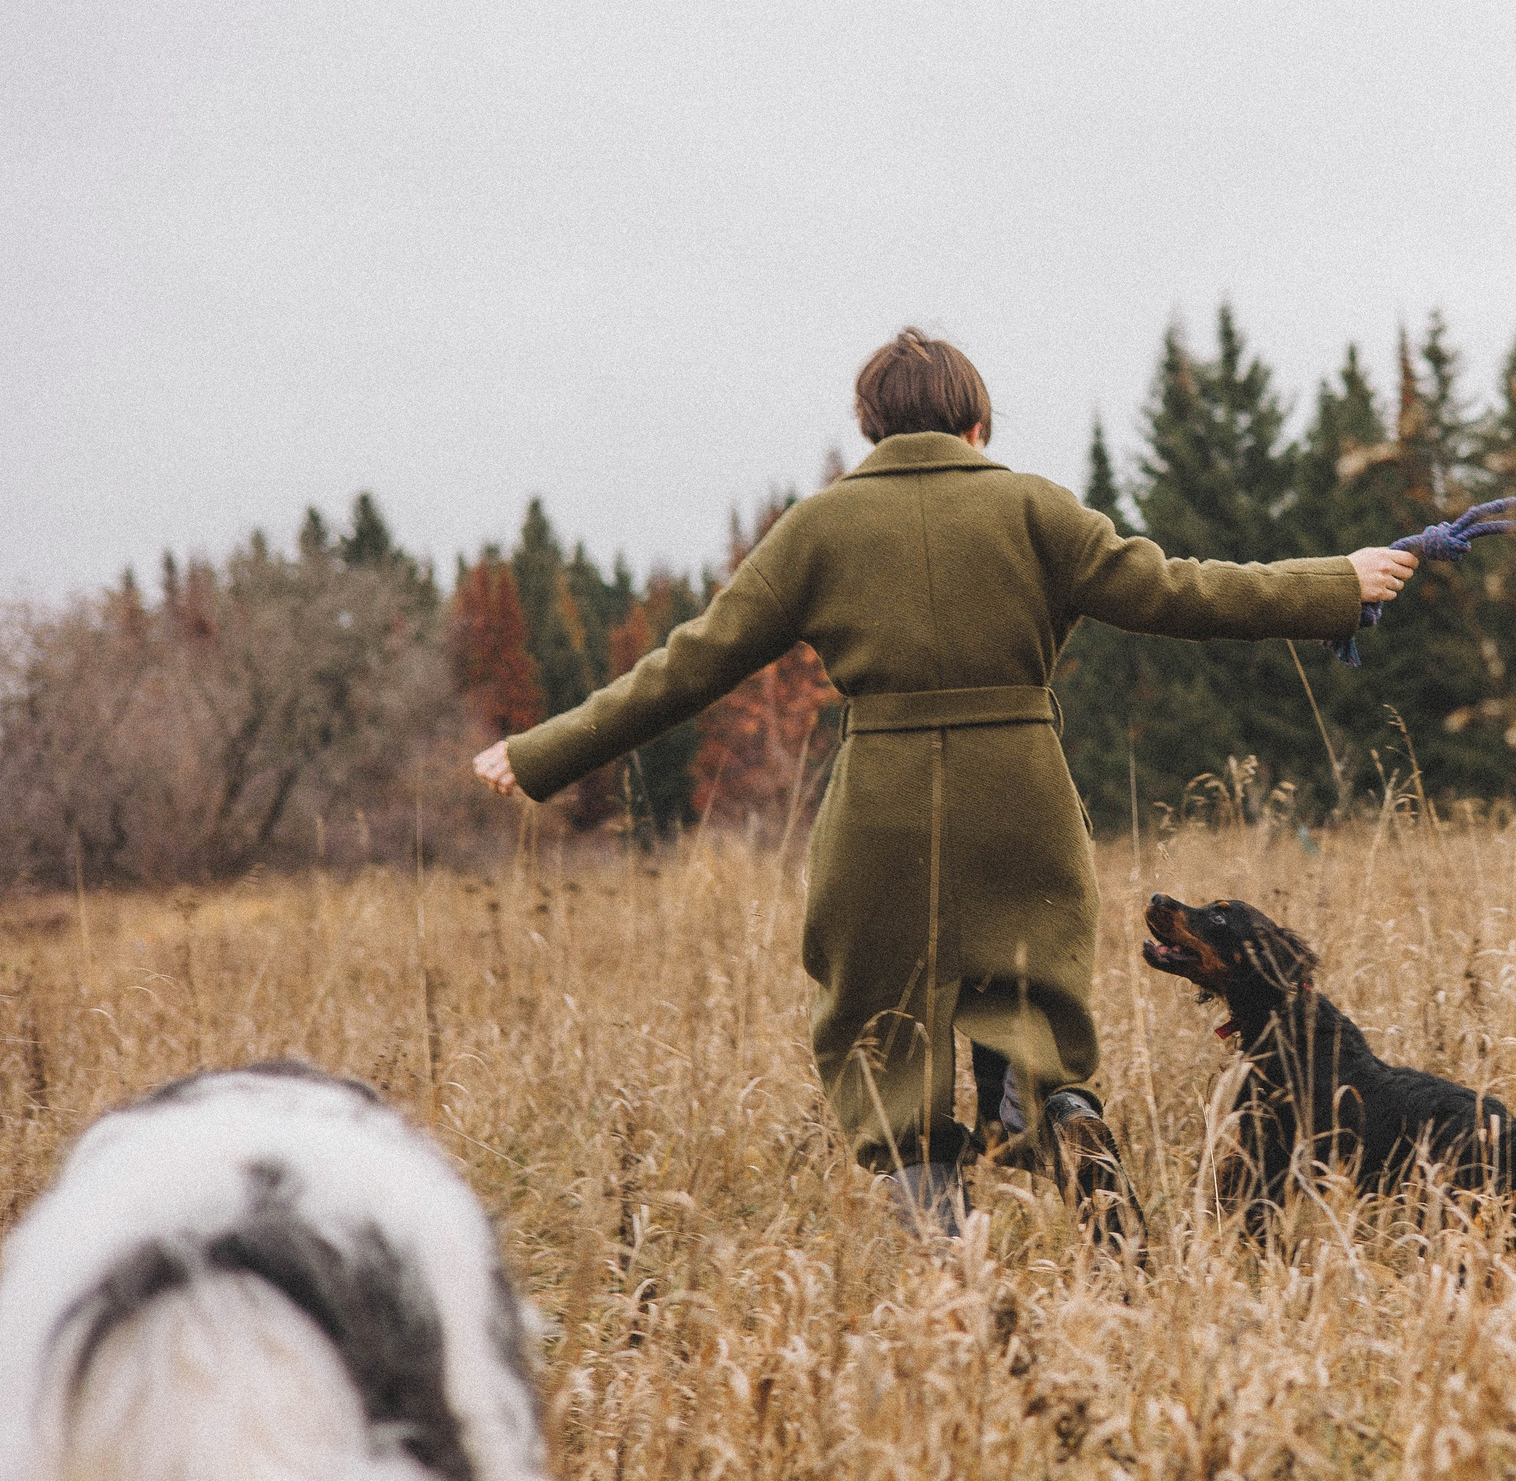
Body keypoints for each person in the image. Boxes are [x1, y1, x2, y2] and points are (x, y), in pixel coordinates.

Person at [471, 328, 1416, 1247]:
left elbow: (686, 668)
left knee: (883, 1008)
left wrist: (545, 751)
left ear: (870, 427)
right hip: (1022, 793)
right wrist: (1335, 584)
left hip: (881, 802)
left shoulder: (819, 527)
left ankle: (936, 1223)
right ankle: (1053, 1107)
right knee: (1031, 982)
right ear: (976, 425)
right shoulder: (1035, 509)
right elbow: (1183, 591)